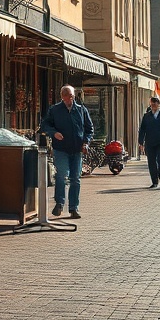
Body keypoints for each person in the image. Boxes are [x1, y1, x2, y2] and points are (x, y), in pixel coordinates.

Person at [40, 84, 94, 220]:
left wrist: (86, 142)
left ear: (74, 96)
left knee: (75, 179)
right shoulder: (55, 110)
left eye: (70, 96)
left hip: (77, 149)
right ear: (62, 97)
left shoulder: (81, 110)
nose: (69, 99)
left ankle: (73, 208)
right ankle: (59, 203)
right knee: (61, 176)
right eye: (66, 96)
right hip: (61, 149)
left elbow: (89, 129)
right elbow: (45, 125)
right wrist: (54, 133)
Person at [137, 95, 160, 188]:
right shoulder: (147, 116)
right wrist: (141, 143)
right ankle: (154, 182)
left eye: (155, 102)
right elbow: (142, 130)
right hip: (150, 143)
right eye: (152, 102)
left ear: (159, 104)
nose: (153, 104)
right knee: (151, 162)